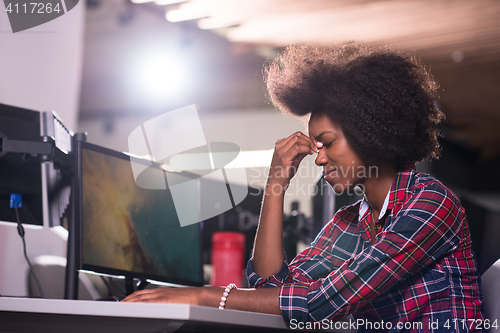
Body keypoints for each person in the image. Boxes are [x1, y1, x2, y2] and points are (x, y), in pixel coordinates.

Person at [123, 42, 484, 332]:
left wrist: (203, 296)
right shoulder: (348, 224)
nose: (319, 158)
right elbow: (271, 295)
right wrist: (275, 184)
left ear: (371, 133)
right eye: (315, 147)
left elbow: (322, 303)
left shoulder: (432, 203)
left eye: (327, 142)